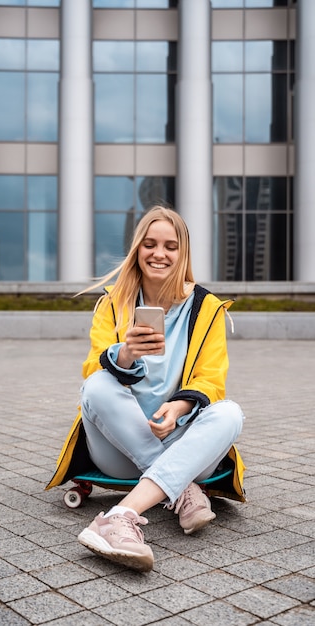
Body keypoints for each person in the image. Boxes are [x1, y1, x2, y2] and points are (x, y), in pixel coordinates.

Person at [46, 206, 246, 573]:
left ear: (182, 253)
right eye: (150, 244)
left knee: (230, 413)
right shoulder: (113, 302)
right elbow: (93, 369)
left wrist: (180, 407)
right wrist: (124, 354)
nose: (159, 253)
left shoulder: (207, 308)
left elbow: (211, 379)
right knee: (96, 384)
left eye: (170, 246)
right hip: (121, 449)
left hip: (183, 440)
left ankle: (119, 517)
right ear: (138, 249)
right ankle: (182, 489)